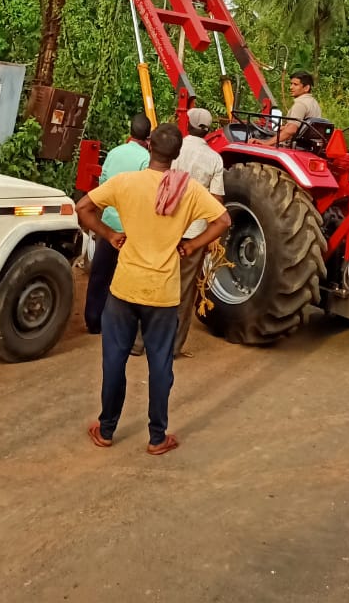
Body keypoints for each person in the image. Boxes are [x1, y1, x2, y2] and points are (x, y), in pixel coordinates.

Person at [76, 122, 230, 455]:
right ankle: (157, 437)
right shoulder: (187, 190)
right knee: (160, 364)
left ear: (149, 148)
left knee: (114, 360)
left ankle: (105, 430)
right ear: (176, 155)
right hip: (163, 291)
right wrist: (191, 246)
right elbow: (223, 220)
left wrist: (109, 235)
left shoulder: (127, 182)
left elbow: (83, 207)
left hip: (125, 287)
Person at [84, 113, 152, 334]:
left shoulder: (114, 153)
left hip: (108, 225)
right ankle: (121, 325)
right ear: (148, 137)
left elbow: (103, 185)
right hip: (131, 230)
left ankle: (93, 321)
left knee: (100, 274)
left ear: (130, 132)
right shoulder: (146, 160)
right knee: (127, 279)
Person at [174, 107, 225, 358]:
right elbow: (216, 201)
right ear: (207, 129)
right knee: (184, 290)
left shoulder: (174, 149)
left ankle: (140, 342)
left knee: (155, 282)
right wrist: (212, 236)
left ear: (188, 123)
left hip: (166, 227)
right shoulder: (215, 159)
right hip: (194, 234)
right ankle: (173, 347)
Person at [262, 71, 322, 148]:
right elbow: (302, 128)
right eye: (291, 84)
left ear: (306, 88)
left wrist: (266, 143)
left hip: (298, 146)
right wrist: (285, 128)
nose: (291, 87)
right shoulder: (314, 103)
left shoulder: (300, 104)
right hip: (308, 145)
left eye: (295, 84)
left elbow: (292, 130)